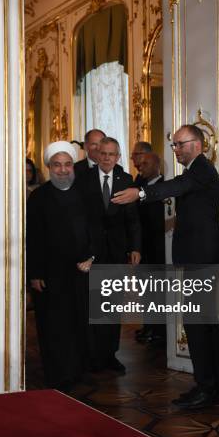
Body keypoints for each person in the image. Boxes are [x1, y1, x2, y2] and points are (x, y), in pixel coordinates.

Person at [113, 125, 219, 407]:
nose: (175, 149)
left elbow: (174, 187)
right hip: (199, 258)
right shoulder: (194, 172)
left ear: (198, 145)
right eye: (173, 144)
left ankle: (207, 387)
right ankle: (212, 385)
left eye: (180, 144)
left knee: (198, 324)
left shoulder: (202, 169)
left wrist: (139, 194)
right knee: (204, 324)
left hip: (201, 259)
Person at [26, 141, 93, 392]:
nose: (63, 170)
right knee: (54, 326)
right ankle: (57, 374)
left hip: (81, 271)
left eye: (67, 164)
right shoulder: (39, 197)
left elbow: (95, 230)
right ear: (49, 167)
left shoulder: (86, 193)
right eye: (57, 165)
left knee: (79, 323)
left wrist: (92, 256)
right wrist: (34, 274)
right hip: (50, 274)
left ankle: (78, 370)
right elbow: (32, 239)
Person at [78, 137, 142, 373]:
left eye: (111, 154)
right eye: (103, 153)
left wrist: (135, 247)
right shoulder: (83, 180)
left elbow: (133, 219)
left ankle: (109, 355)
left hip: (116, 252)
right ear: (97, 155)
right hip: (90, 253)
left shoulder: (125, 180)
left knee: (113, 305)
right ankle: (92, 355)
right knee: (92, 303)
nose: (106, 158)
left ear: (118, 157)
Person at [134, 152, 166, 344]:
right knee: (145, 292)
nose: (140, 166)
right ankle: (149, 327)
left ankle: (159, 331)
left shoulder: (163, 186)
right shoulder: (139, 185)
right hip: (143, 248)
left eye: (145, 164)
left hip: (158, 248)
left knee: (158, 292)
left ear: (156, 166)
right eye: (139, 163)